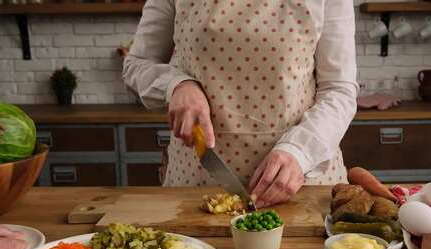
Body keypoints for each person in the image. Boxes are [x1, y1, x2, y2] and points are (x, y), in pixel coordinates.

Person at [123, 0, 358, 207]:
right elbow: (136, 64)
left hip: (302, 184)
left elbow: (339, 89)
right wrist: (176, 85)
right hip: (195, 187)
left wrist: (300, 152)